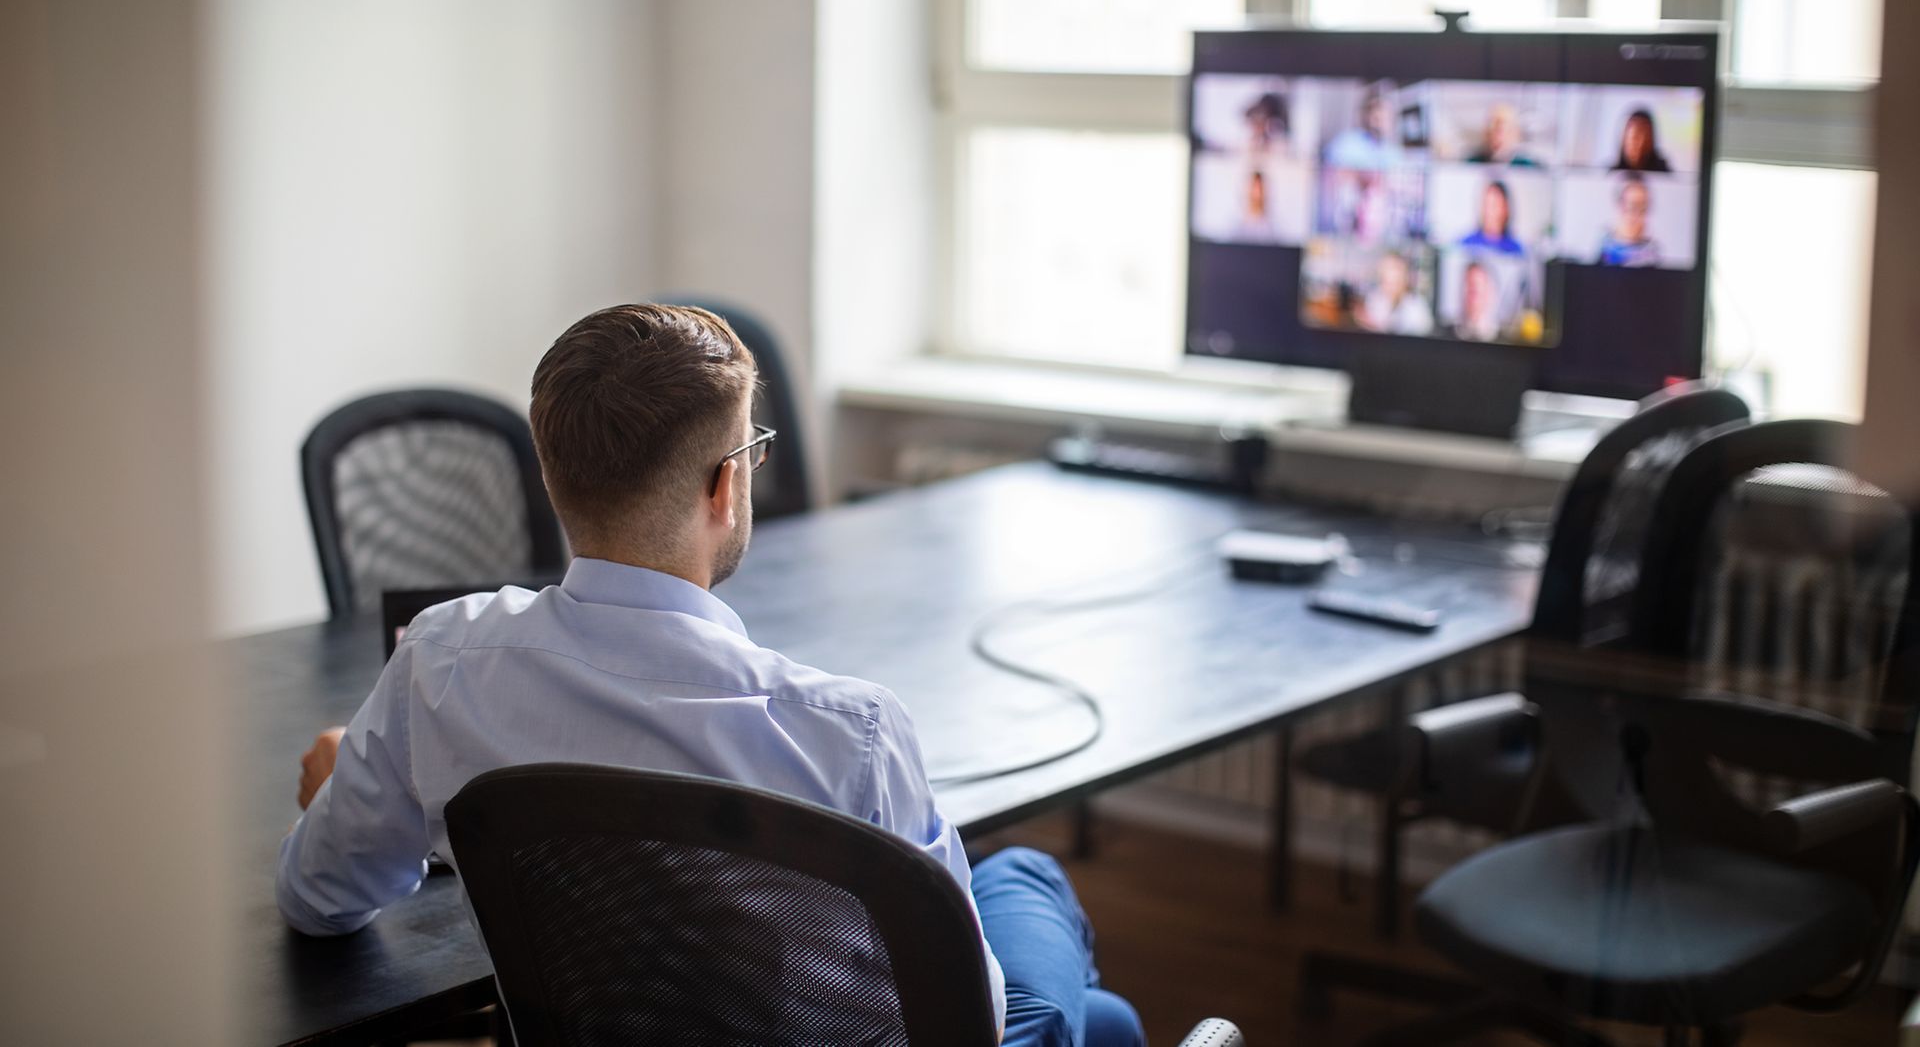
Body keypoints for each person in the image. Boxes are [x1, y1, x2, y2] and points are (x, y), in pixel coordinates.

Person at [275, 304, 1146, 1047]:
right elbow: (975, 1023)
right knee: (1029, 883)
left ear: (550, 476)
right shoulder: (849, 732)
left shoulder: (442, 662)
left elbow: (317, 902)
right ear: (726, 484)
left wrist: (343, 792)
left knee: (1097, 1010)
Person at [1356, 250, 1434, 335]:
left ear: (1405, 277)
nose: (1391, 285)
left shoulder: (1417, 305)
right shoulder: (1375, 299)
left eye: (1396, 282)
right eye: (1386, 280)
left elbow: (1422, 331)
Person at [1323, 84, 1399, 170]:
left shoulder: (1393, 152)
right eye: (1377, 118)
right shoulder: (1345, 143)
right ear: (1366, 117)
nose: (1382, 124)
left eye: (1387, 118)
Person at [1598, 173, 1663, 267]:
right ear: (1620, 206)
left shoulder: (1653, 254)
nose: (1638, 215)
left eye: (1644, 208)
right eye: (1633, 206)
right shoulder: (1604, 249)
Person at [1458, 180, 1525, 256]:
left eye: (1495, 205)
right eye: (1486, 204)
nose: (1489, 211)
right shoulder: (1467, 244)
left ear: (1505, 209)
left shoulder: (1515, 250)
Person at [1466, 102, 1538, 166]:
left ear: (1515, 134)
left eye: (1505, 131)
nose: (1498, 138)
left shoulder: (1527, 166)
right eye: (1493, 131)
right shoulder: (1472, 164)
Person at [1454, 259, 1504, 342]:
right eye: (1468, 285)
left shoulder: (1505, 339)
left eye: (1475, 290)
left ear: (1491, 292)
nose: (1470, 295)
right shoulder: (1445, 333)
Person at [1612, 108, 1672, 172]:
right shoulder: (1610, 176)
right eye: (1635, 138)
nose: (1640, 145)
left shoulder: (1664, 174)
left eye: (1647, 140)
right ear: (1624, 139)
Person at [1231, 169, 1277, 242]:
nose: (1256, 195)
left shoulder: (1272, 228)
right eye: (1254, 188)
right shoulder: (1236, 225)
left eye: (1260, 189)